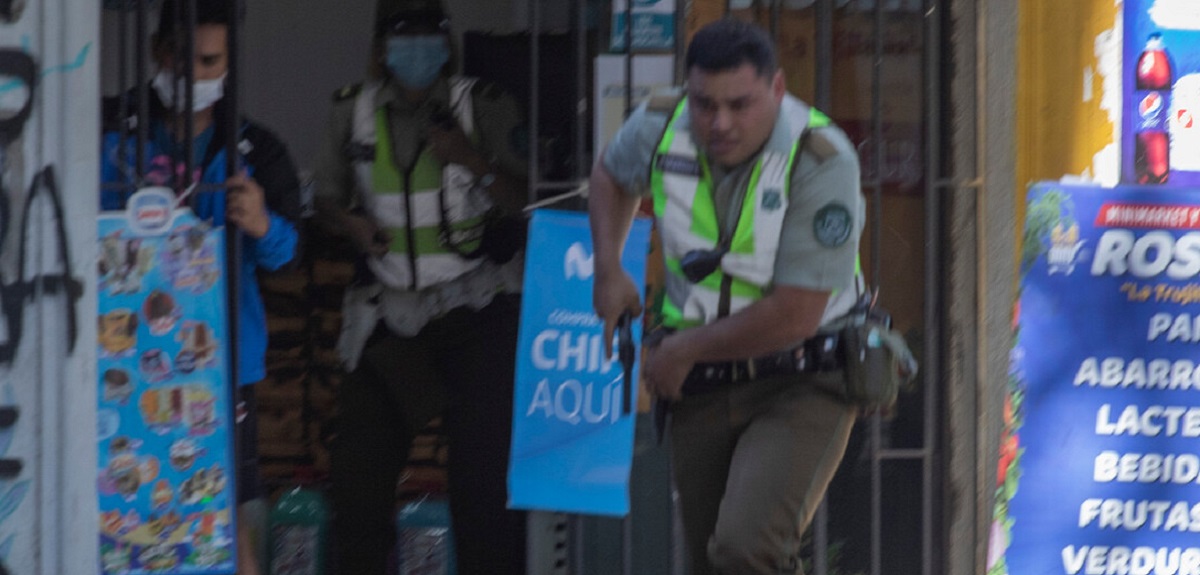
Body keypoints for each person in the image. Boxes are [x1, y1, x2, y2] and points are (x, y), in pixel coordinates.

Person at [588, 18, 865, 575]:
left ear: (777, 89)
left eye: (740, 105)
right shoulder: (660, 124)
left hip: (804, 377)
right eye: (704, 104)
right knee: (712, 562)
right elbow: (611, 175)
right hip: (704, 386)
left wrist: (683, 350)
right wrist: (608, 268)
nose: (720, 123)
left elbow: (796, 314)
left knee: (745, 549)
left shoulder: (820, 157)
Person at [311, 1, 529, 573]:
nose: (416, 46)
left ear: (446, 40)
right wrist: (352, 225)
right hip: (392, 314)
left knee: (484, 494)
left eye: (428, 33)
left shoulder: (482, 103)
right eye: (402, 33)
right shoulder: (351, 111)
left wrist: (469, 158)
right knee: (357, 486)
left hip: (474, 310)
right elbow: (325, 198)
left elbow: (527, 202)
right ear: (382, 46)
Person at [100, 2, 301, 573]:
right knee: (121, 508)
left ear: (230, 63)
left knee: (226, 513)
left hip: (220, 365)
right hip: (120, 361)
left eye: (210, 62)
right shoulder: (111, 130)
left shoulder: (255, 148)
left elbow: (289, 255)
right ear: (157, 51)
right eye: (183, 58)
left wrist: (262, 224)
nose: (194, 74)